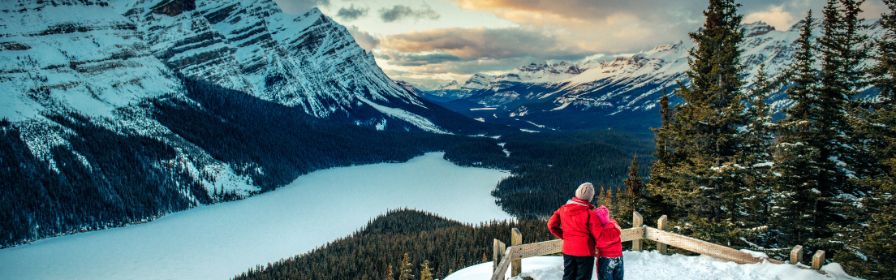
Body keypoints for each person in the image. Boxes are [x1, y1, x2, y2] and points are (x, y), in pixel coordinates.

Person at [547, 182, 602, 280]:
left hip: (568, 250)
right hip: (586, 251)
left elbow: (551, 225)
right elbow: (598, 235)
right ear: (590, 198)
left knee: (568, 276)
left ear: (577, 193)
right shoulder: (590, 214)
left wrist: (565, 236)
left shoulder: (563, 209)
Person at [594, 206, 623, 280]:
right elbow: (612, 222)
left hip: (605, 258)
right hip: (618, 257)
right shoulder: (614, 227)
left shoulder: (600, 233)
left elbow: (597, 243)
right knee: (618, 277)